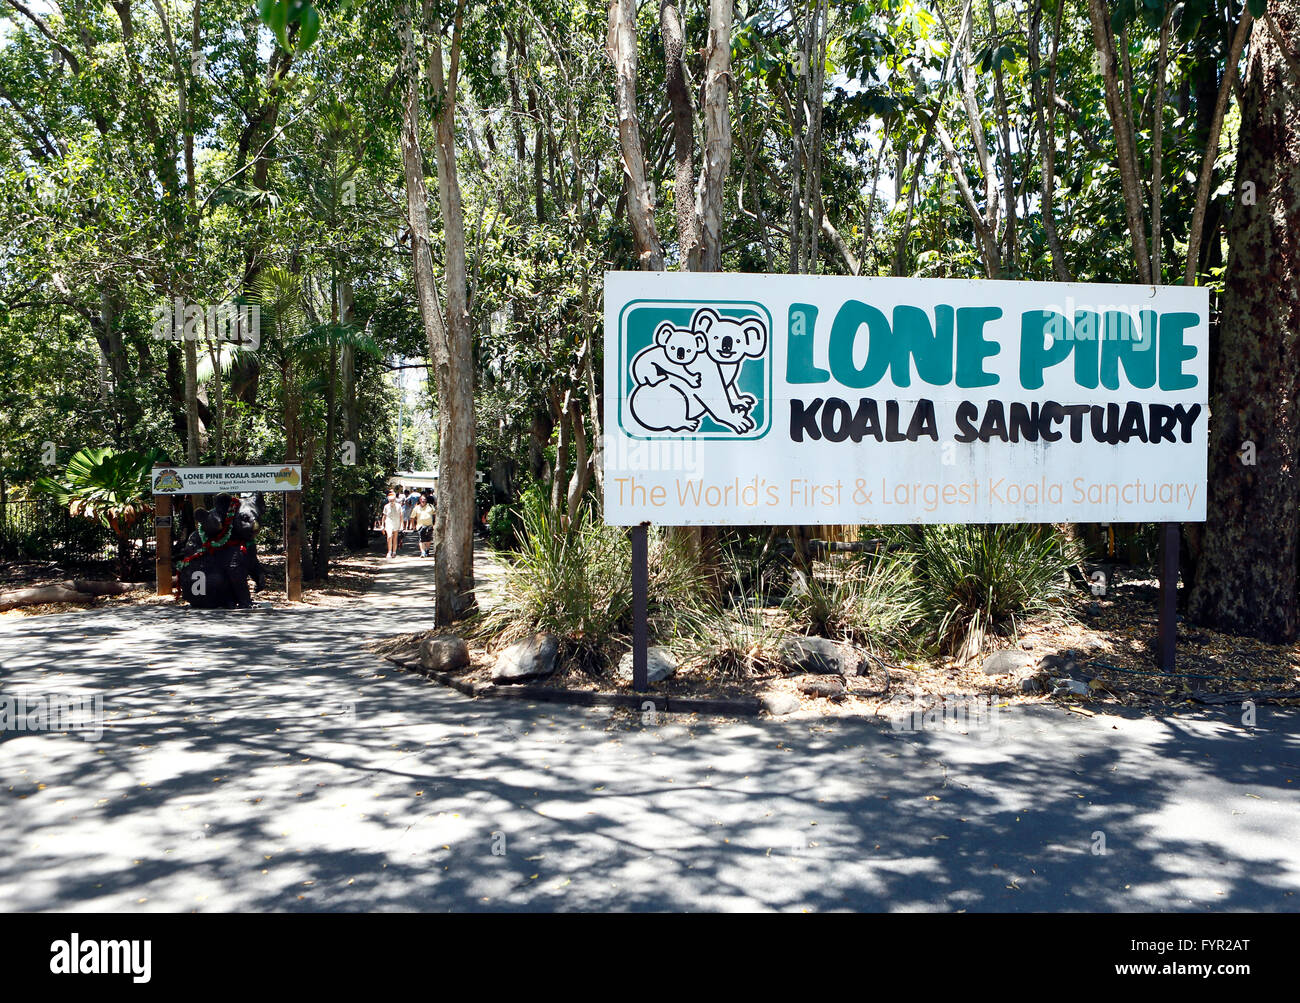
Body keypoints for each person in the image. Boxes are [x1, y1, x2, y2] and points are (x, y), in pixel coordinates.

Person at [382, 491, 403, 558]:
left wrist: (401, 525)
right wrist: (382, 525)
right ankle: (389, 551)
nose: (392, 501)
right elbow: (384, 516)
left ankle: (394, 552)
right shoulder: (386, 506)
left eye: (393, 500)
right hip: (388, 523)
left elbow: (401, 516)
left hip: (396, 523)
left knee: (395, 538)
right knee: (389, 536)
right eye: (390, 500)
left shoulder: (399, 506)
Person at [413, 493, 435, 558]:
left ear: (426, 500)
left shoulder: (430, 506)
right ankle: (423, 552)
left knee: (428, 539)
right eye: (421, 499)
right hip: (420, 526)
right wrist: (413, 526)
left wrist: (435, 524)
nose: (423, 500)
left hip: (429, 525)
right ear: (419, 500)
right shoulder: (416, 508)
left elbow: (435, 515)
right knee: (421, 539)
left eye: (424, 499)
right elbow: (412, 517)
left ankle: (427, 550)